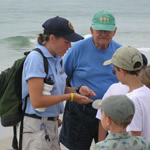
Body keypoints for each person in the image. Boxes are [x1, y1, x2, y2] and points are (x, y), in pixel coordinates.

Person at [21, 16, 96, 150]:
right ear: (51, 38)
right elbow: (37, 101)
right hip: (36, 127)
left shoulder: (57, 59)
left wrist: (77, 90)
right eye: (66, 42)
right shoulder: (36, 59)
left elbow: (56, 90)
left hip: (51, 124)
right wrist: (71, 97)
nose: (69, 47)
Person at [59, 10, 122, 150]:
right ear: (91, 30)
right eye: (100, 30)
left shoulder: (120, 52)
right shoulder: (76, 49)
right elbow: (63, 79)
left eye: (108, 30)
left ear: (115, 31)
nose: (103, 34)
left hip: (111, 111)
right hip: (80, 110)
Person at [96, 52, 148, 141]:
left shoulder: (132, 99)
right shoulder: (147, 91)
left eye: (114, 71)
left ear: (122, 71)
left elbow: (135, 137)